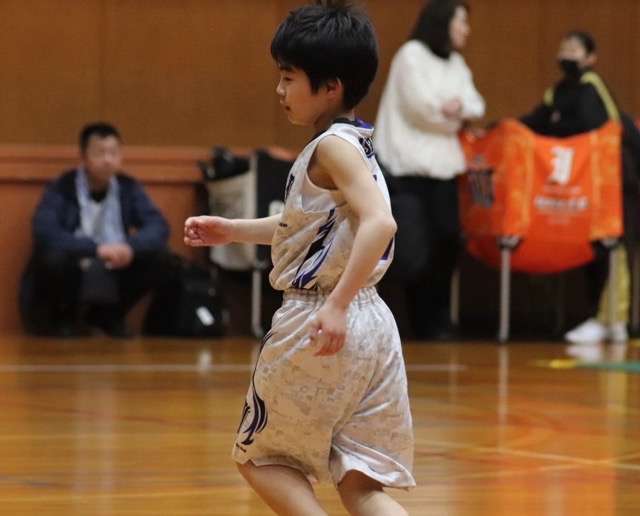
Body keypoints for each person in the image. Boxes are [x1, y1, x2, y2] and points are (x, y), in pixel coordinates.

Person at [184, 2, 415, 514]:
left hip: (320, 317)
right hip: (374, 324)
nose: (280, 90)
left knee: (261, 459)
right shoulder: (357, 142)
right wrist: (232, 231)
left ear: (330, 87)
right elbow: (309, 230)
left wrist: (335, 305)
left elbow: (380, 223)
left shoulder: (331, 148)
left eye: (289, 78)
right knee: (359, 482)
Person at [374, 0, 485, 340]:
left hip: (445, 170)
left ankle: (436, 321)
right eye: (461, 21)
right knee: (413, 249)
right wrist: (451, 113)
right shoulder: (410, 56)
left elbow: (476, 105)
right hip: (406, 170)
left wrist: (456, 109)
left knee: (447, 242)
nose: (466, 29)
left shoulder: (457, 63)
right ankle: (414, 323)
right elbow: (422, 110)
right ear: (443, 22)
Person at [521, 31, 640, 343]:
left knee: (615, 245)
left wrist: (556, 125)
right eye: (564, 48)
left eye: (574, 49)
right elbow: (537, 120)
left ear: (590, 58)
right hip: (584, 185)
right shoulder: (558, 91)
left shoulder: (592, 86)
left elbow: (599, 128)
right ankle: (602, 317)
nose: (567, 54)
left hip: (616, 182)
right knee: (595, 245)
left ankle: (614, 318)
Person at [20, 122, 171, 338]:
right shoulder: (62, 187)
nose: (108, 160)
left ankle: (108, 316)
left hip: (116, 261)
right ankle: (63, 317)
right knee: (52, 258)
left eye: (113, 153)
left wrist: (129, 247)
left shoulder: (128, 188)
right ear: (83, 157)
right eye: (100, 153)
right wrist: (95, 249)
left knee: (162, 258)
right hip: (77, 261)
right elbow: (45, 230)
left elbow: (158, 226)